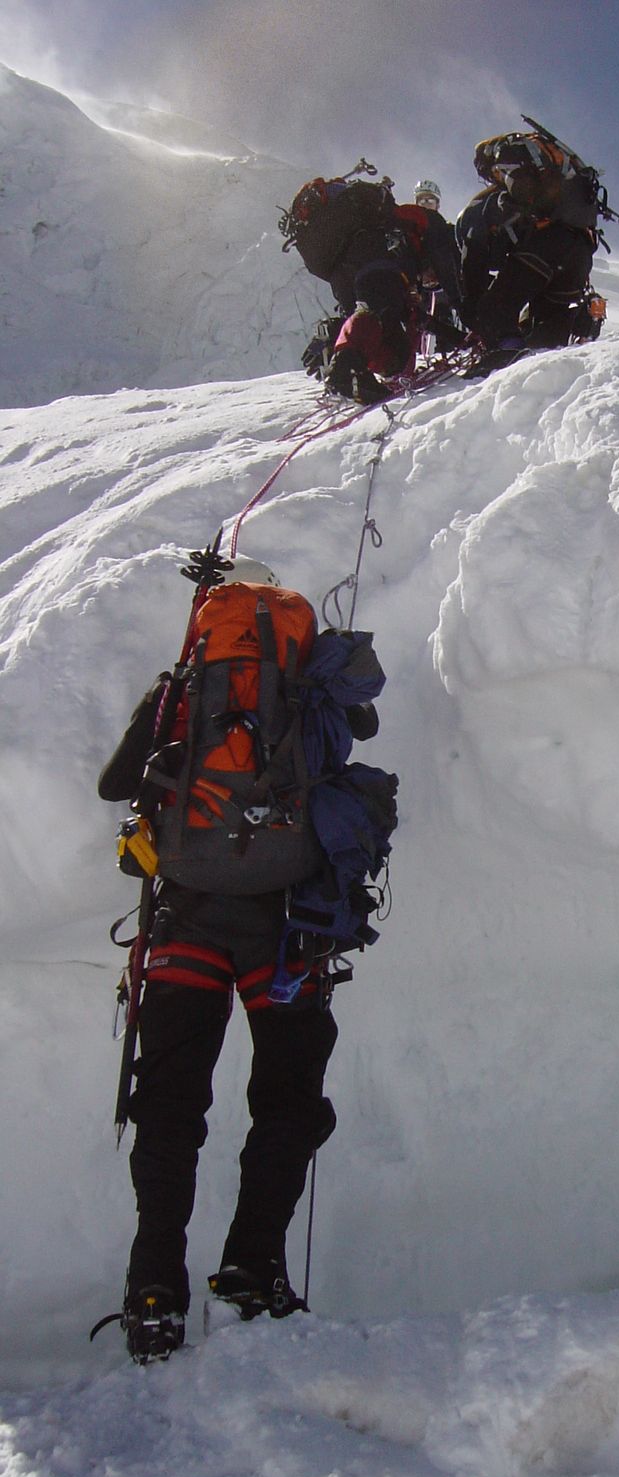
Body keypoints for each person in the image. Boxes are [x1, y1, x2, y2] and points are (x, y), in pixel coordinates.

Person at [95, 555, 383, 1363]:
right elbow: (355, 741)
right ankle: (252, 1272)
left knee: (170, 1107)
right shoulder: (311, 690)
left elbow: (116, 784)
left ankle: (154, 1292)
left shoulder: (184, 690)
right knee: (287, 1102)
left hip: (187, 920)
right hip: (286, 930)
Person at [456, 126, 603, 372]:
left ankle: (504, 359)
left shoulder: (484, 204)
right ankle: (572, 327)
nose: (493, 179)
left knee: (493, 309)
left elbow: (474, 254)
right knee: (543, 318)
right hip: (581, 252)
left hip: (545, 246)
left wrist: (473, 307)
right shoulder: (555, 175)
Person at [324, 188, 465, 401]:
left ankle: (359, 373)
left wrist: (460, 339)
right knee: (375, 313)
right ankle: (343, 371)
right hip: (377, 265)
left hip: (360, 271)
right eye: (432, 279)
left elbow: (416, 318)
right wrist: (463, 307)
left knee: (395, 344)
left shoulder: (405, 277)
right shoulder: (426, 230)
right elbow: (447, 270)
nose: (430, 281)